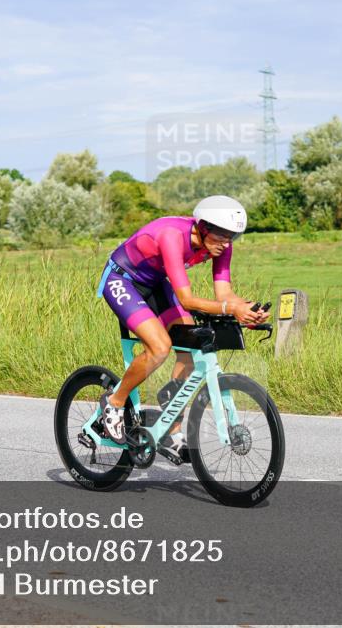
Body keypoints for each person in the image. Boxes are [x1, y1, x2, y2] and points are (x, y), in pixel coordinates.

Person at [95, 195, 269, 458]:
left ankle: (170, 427)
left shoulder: (221, 246)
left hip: (154, 283)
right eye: (222, 235)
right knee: (159, 348)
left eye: (233, 236)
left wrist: (248, 309)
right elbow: (187, 300)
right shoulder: (172, 236)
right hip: (123, 279)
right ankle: (115, 401)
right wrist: (232, 309)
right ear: (203, 227)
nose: (227, 243)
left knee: (191, 345)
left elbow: (224, 295)